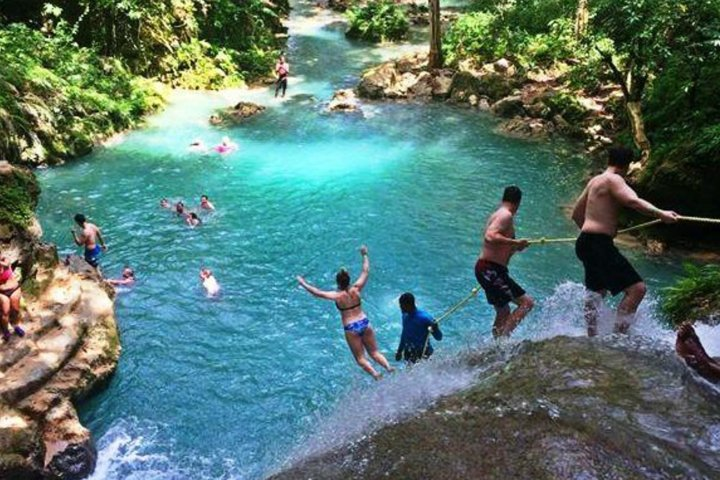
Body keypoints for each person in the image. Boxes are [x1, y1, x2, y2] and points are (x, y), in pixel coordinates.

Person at [572, 146, 679, 336]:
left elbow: (576, 214)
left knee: (596, 291)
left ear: (609, 160)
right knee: (637, 289)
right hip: (597, 243)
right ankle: (617, 338)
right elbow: (633, 201)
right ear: (627, 165)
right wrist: (661, 214)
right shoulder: (614, 179)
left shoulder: (595, 180)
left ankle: (592, 336)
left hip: (585, 243)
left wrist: (592, 231)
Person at [297, 245, 394, 380]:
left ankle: (376, 374)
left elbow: (317, 293)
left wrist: (303, 282)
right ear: (348, 280)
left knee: (360, 358)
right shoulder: (356, 288)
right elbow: (365, 271)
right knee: (374, 352)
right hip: (365, 322)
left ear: (337, 282)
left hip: (351, 327)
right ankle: (388, 367)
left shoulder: (337, 296)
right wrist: (365, 254)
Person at [475, 186, 534, 338]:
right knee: (526, 303)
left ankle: (496, 345)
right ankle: (504, 341)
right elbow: (490, 236)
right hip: (490, 269)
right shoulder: (505, 215)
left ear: (503, 198)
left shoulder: (499, 214)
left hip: (487, 269)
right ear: (518, 203)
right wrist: (513, 242)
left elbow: (499, 244)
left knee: (503, 311)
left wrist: (517, 246)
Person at [395, 292, 442, 363]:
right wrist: (399, 351)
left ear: (408, 305)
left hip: (423, 353)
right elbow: (404, 334)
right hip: (409, 353)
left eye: (401, 305)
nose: (400, 307)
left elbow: (439, 338)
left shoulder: (425, 318)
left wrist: (436, 328)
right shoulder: (405, 315)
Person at [0, 256, 25, 342]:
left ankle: (15, 326)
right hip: (1, 292)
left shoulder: (5, 260)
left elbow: (7, 265)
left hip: (14, 289)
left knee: (15, 310)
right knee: (5, 312)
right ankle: (5, 330)